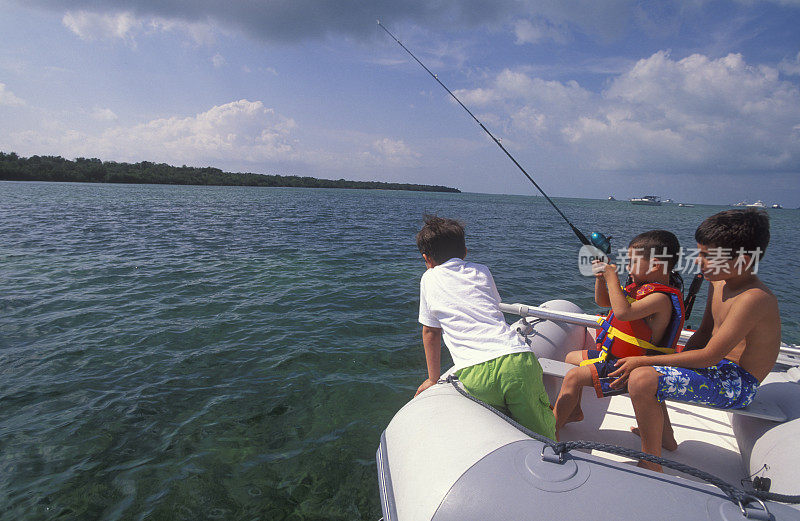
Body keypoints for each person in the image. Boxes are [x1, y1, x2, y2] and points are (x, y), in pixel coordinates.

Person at [609, 209, 780, 472]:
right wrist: (660, 361)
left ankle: (651, 462)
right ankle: (666, 439)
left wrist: (646, 362)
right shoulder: (720, 282)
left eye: (708, 256)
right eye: (699, 253)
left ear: (745, 260)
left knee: (643, 377)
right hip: (716, 367)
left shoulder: (754, 298)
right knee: (653, 366)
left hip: (738, 383)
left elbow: (709, 355)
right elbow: (702, 334)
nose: (699, 262)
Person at [414, 214, 556, 439]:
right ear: (465, 252)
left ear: (426, 259)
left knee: (502, 433)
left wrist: (433, 379)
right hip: (516, 362)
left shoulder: (427, 279)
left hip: (475, 374)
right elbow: (494, 308)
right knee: (542, 435)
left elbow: (430, 331)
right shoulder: (482, 271)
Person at [553, 230, 685, 440]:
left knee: (574, 377)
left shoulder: (660, 298)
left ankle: (551, 430)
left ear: (656, 265)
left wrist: (612, 276)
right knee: (571, 358)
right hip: (615, 358)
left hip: (633, 365)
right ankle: (665, 437)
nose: (628, 267)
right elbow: (605, 303)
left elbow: (623, 313)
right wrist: (601, 279)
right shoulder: (639, 288)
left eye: (633, 262)